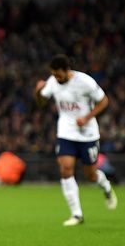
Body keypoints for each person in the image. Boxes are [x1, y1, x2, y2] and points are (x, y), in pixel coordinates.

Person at [35, 54, 117, 226]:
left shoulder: (85, 82)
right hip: (66, 133)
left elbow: (104, 101)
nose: (56, 78)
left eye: (58, 74)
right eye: (54, 74)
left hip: (87, 134)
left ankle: (106, 186)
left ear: (67, 70)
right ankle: (77, 214)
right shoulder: (52, 81)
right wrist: (38, 90)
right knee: (65, 170)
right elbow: (41, 102)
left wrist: (87, 117)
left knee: (91, 176)